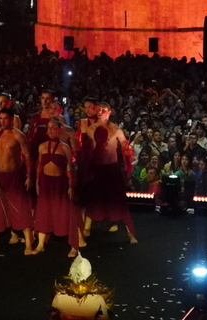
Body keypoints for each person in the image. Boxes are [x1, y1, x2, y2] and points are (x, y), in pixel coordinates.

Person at [80, 102, 138, 244]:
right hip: (96, 169)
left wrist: (130, 154)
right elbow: (88, 151)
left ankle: (130, 233)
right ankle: (86, 228)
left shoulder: (116, 130)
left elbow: (126, 148)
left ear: (109, 112)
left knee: (119, 202)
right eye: (98, 110)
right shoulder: (91, 129)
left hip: (111, 169)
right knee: (93, 199)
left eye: (103, 110)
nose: (100, 112)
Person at [0, 108, 35, 254]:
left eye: (5, 118)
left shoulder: (18, 135)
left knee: (20, 207)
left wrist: (29, 176)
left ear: (11, 119)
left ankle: (29, 245)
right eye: (1, 118)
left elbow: (28, 156)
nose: (3, 121)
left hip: (15, 176)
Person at [32, 119, 82, 257]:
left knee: (66, 212)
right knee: (43, 212)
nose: (49, 130)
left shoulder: (65, 147)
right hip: (45, 183)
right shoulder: (42, 146)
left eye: (53, 128)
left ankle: (73, 246)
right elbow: (39, 166)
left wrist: (71, 186)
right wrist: (37, 182)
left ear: (59, 129)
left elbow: (69, 168)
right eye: (48, 128)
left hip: (60, 184)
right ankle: (40, 244)